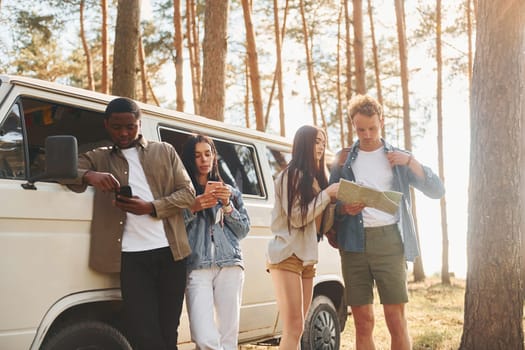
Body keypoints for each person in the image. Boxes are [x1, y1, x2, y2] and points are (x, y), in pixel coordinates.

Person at [65, 97, 195, 350]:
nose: (123, 133)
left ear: (139, 124)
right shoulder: (98, 157)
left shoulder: (164, 151)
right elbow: (62, 170)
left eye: (130, 126)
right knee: (142, 332)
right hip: (131, 258)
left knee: (169, 330)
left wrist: (151, 207)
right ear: (106, 125)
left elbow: (188, 193)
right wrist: (90, 175)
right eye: (116, 127)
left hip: (172, 254)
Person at [329, 94, 445, 350]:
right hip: (353, 245)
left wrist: (412, 162)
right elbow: (329, 203)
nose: (367, 134)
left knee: (396, 319)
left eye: (372, 128)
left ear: (381, 121)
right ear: (352, 125)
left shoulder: (400, 157)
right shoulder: (343, 159)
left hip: (390, 242)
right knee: (363, 321)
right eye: (361, 129)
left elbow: (437, 190)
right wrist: (344, 209)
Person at [266, 125, 340, 350]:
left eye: (323, 142)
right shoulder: (291, 175)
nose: (321, 147)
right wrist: (327, 195)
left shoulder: (315, 179)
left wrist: (334, 203)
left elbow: (318, 225)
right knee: (294, 327)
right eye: (316, 141)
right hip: (287, 253)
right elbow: (297, 218)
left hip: (307, 257)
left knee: (298, 329)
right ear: (304, 144)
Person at [181, 134, 250, 350]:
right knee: (203, 337)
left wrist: (228, 205)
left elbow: (243, 230)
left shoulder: (231, 191)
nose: (203, 160)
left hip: (230, 264)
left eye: (207, 154)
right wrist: (194, 206)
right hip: (197, 265)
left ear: (214, 157)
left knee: (228, 336)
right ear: (190, 160)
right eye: (197, 155)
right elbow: (173, 228)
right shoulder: (182, 193)